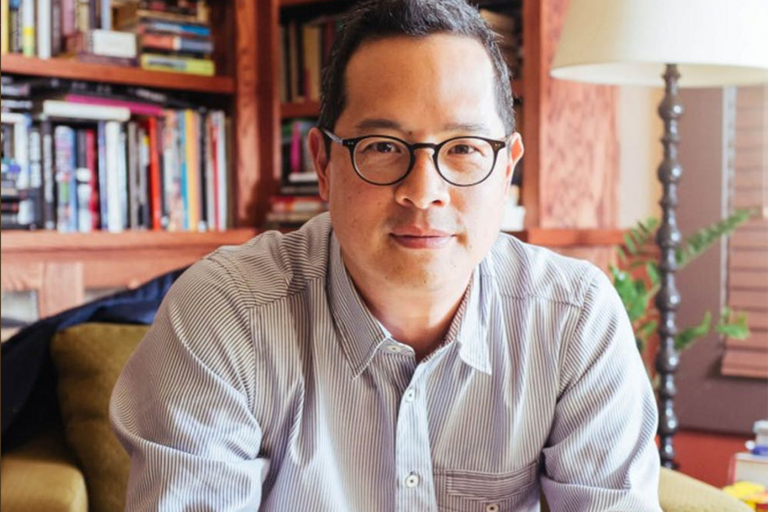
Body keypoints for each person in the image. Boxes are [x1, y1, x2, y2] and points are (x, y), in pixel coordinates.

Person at [110, 0, 662, 510]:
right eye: (382, 147)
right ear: (324, 165)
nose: (423, 192)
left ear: (508, 168)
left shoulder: (574, 320)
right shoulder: (226, 314)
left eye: (465, 149)